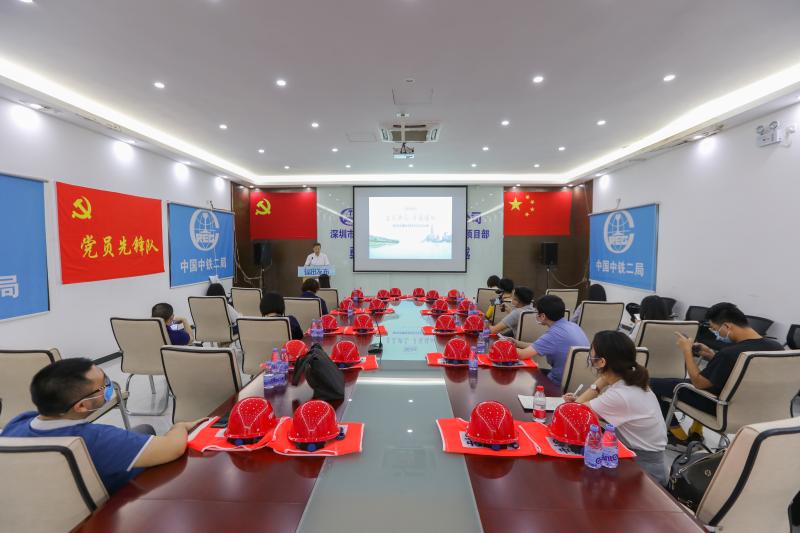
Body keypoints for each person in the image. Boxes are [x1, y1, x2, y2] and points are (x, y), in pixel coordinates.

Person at [2, 358, 205, 494]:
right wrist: (179, 426)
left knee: (144, 430)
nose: (108, 386)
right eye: (103, 386)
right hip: (119, 498)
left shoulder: (17, 424)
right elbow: (174, 448)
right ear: (81, 406)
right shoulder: (100, 439)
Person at [650, 302, 783, 445]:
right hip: (761, 410)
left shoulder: (729, 353)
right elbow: (743, 370)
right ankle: (696, 432)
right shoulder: (777, 348)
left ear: (727, 326)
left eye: (715, 329)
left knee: (649, 384)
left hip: (722, 407)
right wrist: (712, 356)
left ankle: (678, 435)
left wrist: (687, 351)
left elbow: (698, 383)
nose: (716, 334)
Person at [563, 331, 668, 485]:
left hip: (643, 469)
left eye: (592, 351)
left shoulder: (620, 394)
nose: (590, 354)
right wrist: (599, 384)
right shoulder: (631, 382)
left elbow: (572, 414)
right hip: (642, 457)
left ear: (601, 362)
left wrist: (600, 382)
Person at [516, 295, 589, 384]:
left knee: (521, 376)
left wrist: (504, 344)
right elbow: (537, 346)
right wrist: (516, 343)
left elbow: (522, 355)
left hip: (558, 383)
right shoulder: (573, 326)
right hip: (577, 381)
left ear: (543, 316)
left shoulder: (553, 334)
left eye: (537, 312)